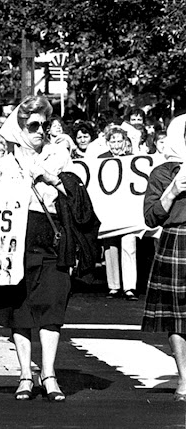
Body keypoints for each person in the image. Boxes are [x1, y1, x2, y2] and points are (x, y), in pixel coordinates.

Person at [0, 95, 72, 402]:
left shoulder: (60, 154)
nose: (40, 130)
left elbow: (74, 194)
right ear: (20, 127)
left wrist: (45, 174)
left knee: (51, 308)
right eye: (33, 124)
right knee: (20, 311)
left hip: (49, 236)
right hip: (16, 240)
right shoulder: (7, 162)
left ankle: (48, 374)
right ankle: (25, 374)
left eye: (45, 124)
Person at [142, 114, 186, 401]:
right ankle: (185, 378)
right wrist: (173, 190)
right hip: (178, 241)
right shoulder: (162, 173)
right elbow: (150, 217)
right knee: (178, 315)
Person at [98, 126, 139, 301]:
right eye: (112, 141)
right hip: (109, 210)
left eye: (119, 140)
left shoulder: (133, 160)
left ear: (125, 142)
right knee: (110, 246)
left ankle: (130, 286)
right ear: (107, 143)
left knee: (129, 245)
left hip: (127, 209)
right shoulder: (100, 160)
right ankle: (113, 286)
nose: (116, 144)